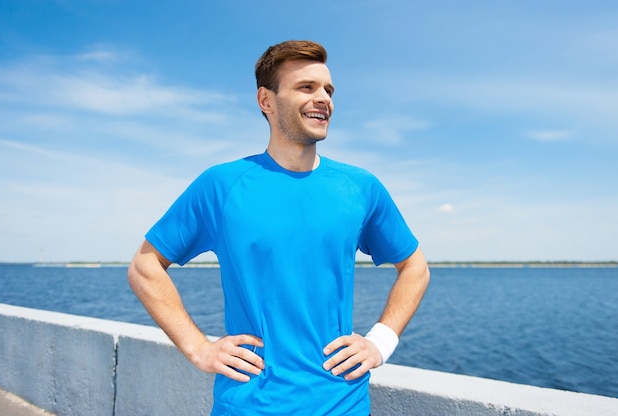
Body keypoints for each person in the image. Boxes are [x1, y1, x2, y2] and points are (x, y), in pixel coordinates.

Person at [128, 40, 430, 415]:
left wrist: (381, 341)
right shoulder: (222, 185)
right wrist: (199, 347)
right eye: (306, 87)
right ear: (265, 101)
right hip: (249, 403)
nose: (324, 99)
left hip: (342, 401)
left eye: (328, 90)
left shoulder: (360, 187)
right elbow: (144, 267)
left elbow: (415, 266)